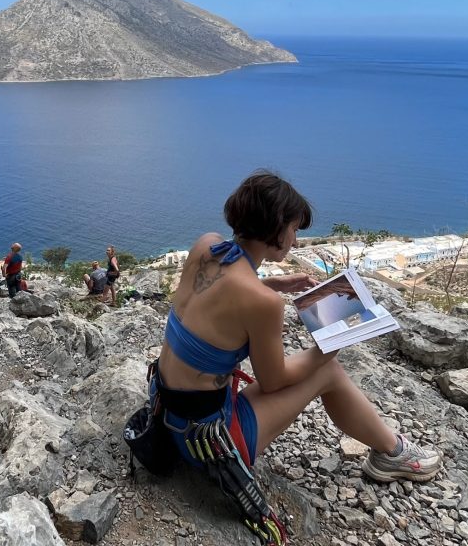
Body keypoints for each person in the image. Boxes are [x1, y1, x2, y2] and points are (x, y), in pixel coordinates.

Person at [152, 171, 441, 487]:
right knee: (329, 373)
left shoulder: (206, 246)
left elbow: (209, 297)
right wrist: (329, 346)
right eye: (293, 229)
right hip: (205, 440)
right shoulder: (262, 303)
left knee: (322, 368)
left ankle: (391, 449)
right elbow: (273, 381)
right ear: (276, 227)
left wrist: (270, 283)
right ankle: (393, 453)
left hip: (164, 407)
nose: (296, 240)